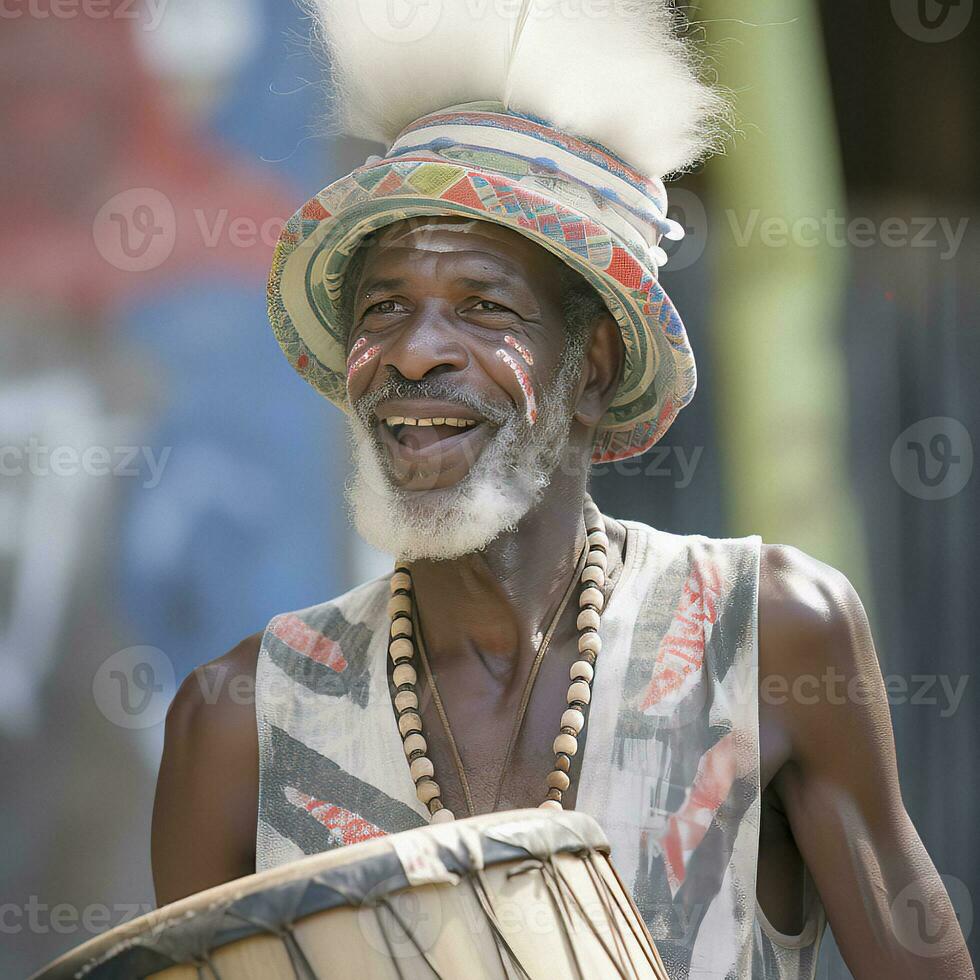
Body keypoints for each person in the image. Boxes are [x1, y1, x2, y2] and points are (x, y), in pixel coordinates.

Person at [152, 3, 974, 977]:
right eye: (383, 309)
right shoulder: (239, 719)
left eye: (480, 307)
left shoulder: (766, 640)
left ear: (590, 364)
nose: (414, 351)